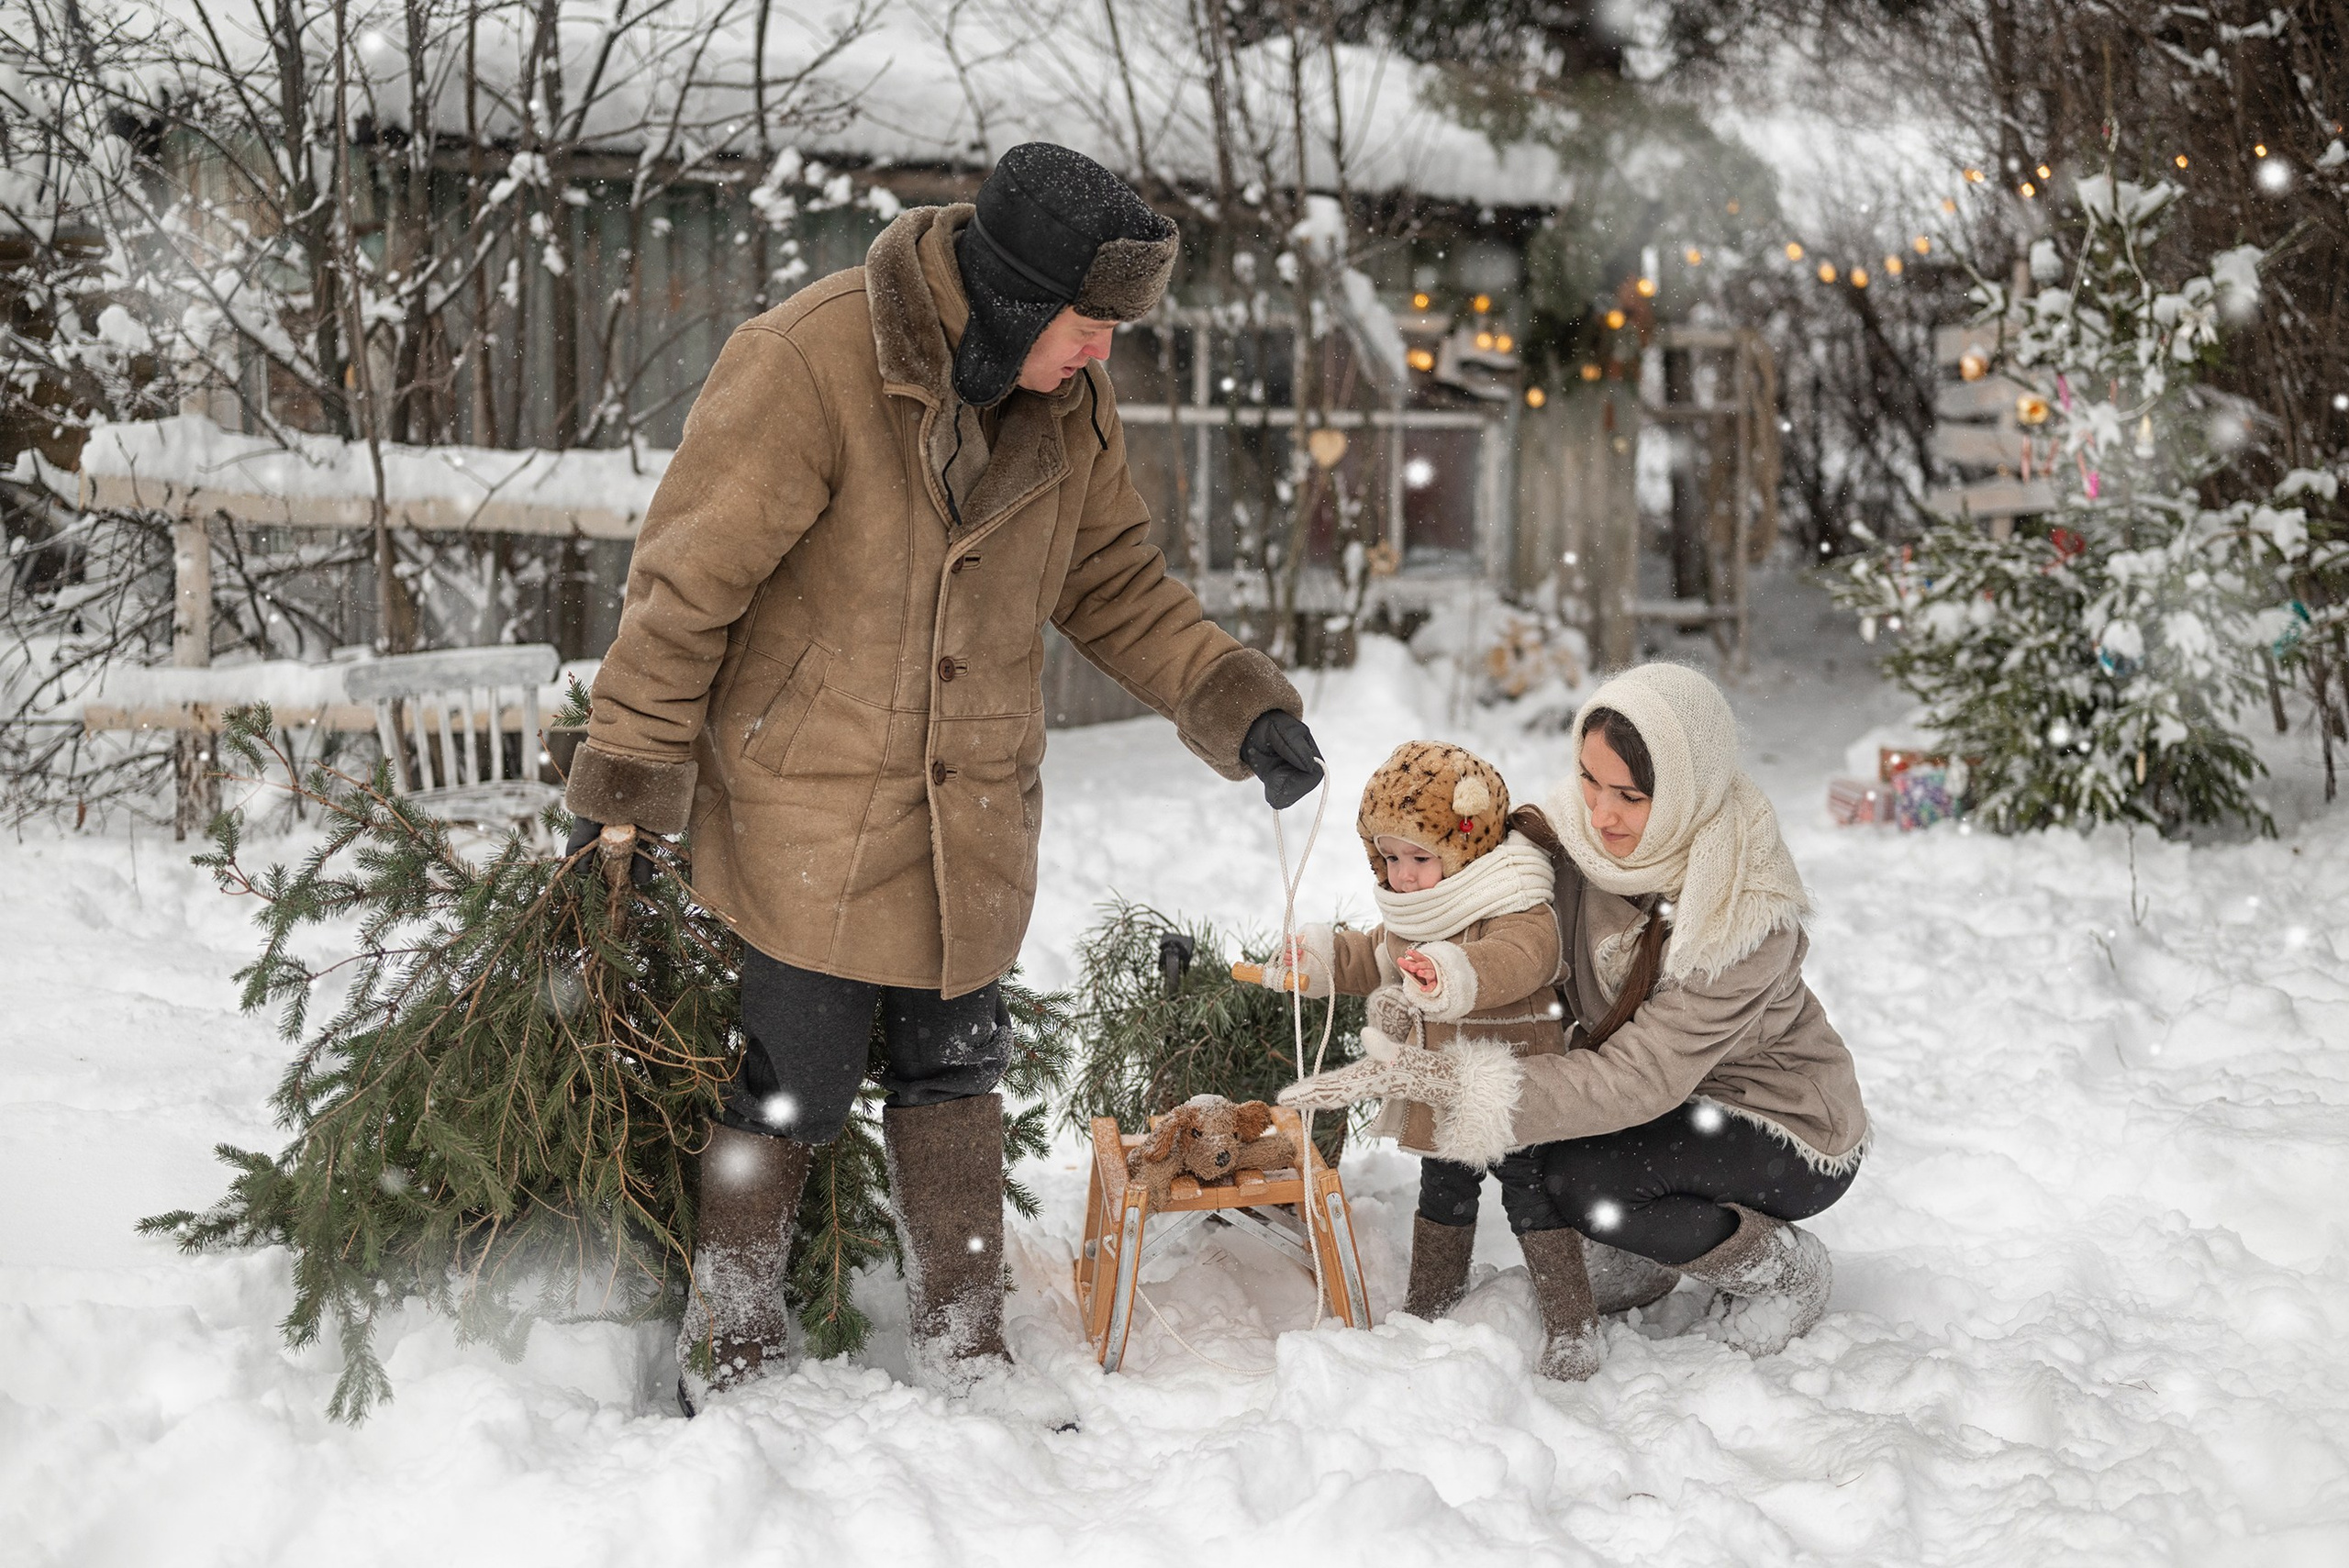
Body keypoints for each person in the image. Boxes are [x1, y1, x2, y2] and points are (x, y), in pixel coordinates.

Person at [562, 142, 1326, 1412]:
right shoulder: (811, 362)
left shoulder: (1067, 405)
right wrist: (628, 776)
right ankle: (733, 1338)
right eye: (1091, 324)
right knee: (788, 1086)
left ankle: (966, 1333)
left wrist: (1229, 700)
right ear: (1020, 299)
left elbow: (1114, 582)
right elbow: (686, 582)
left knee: (955, 1072)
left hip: (971, 803)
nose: (1104, 355)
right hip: (811, 797)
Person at [1283, 663, 1867, 1375]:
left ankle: (1781, 1269)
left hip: (1778, 1118)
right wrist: (1339, 959)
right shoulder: (1565, 844)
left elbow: (1639, 1077)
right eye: (1590, 779)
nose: (1601, 813)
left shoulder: (1742, 915)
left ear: (1687, 790)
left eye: (1631, 794)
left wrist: (1477, 1087)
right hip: (1668, 1100)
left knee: (1590, 1185)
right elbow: (1473, 909)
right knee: (1562, 1167)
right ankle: (1646, 1250)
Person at [1256, 741, 1679, 1379]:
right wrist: (1317, 960)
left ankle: (1572, 1322)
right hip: (1442, 1090)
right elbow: (1371, 955)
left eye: (1419, 857)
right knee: (1444, 1191)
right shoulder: (1414, 911)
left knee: (1532, 1195)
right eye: (1390, 857)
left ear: (1465, 843)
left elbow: (1523, 957)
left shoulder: (1513, 897)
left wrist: (1456, 970)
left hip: (1510, 1081)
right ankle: (1431, 1302)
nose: (1402, 874)